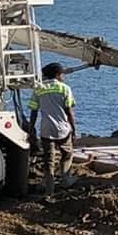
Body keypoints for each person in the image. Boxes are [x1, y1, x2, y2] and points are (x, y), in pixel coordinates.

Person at [29, 61, 78, 193]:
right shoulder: (64, 88)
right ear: (57, 75)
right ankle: (66, 179)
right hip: (63, 130)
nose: (64, 77)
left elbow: (34, 111)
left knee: (48, 160)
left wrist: (31, 129)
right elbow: (69, 111)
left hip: (46, 130)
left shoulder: (39, 89)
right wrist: (74, 129)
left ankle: (49, 188)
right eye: (63, 74)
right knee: (67, 154)